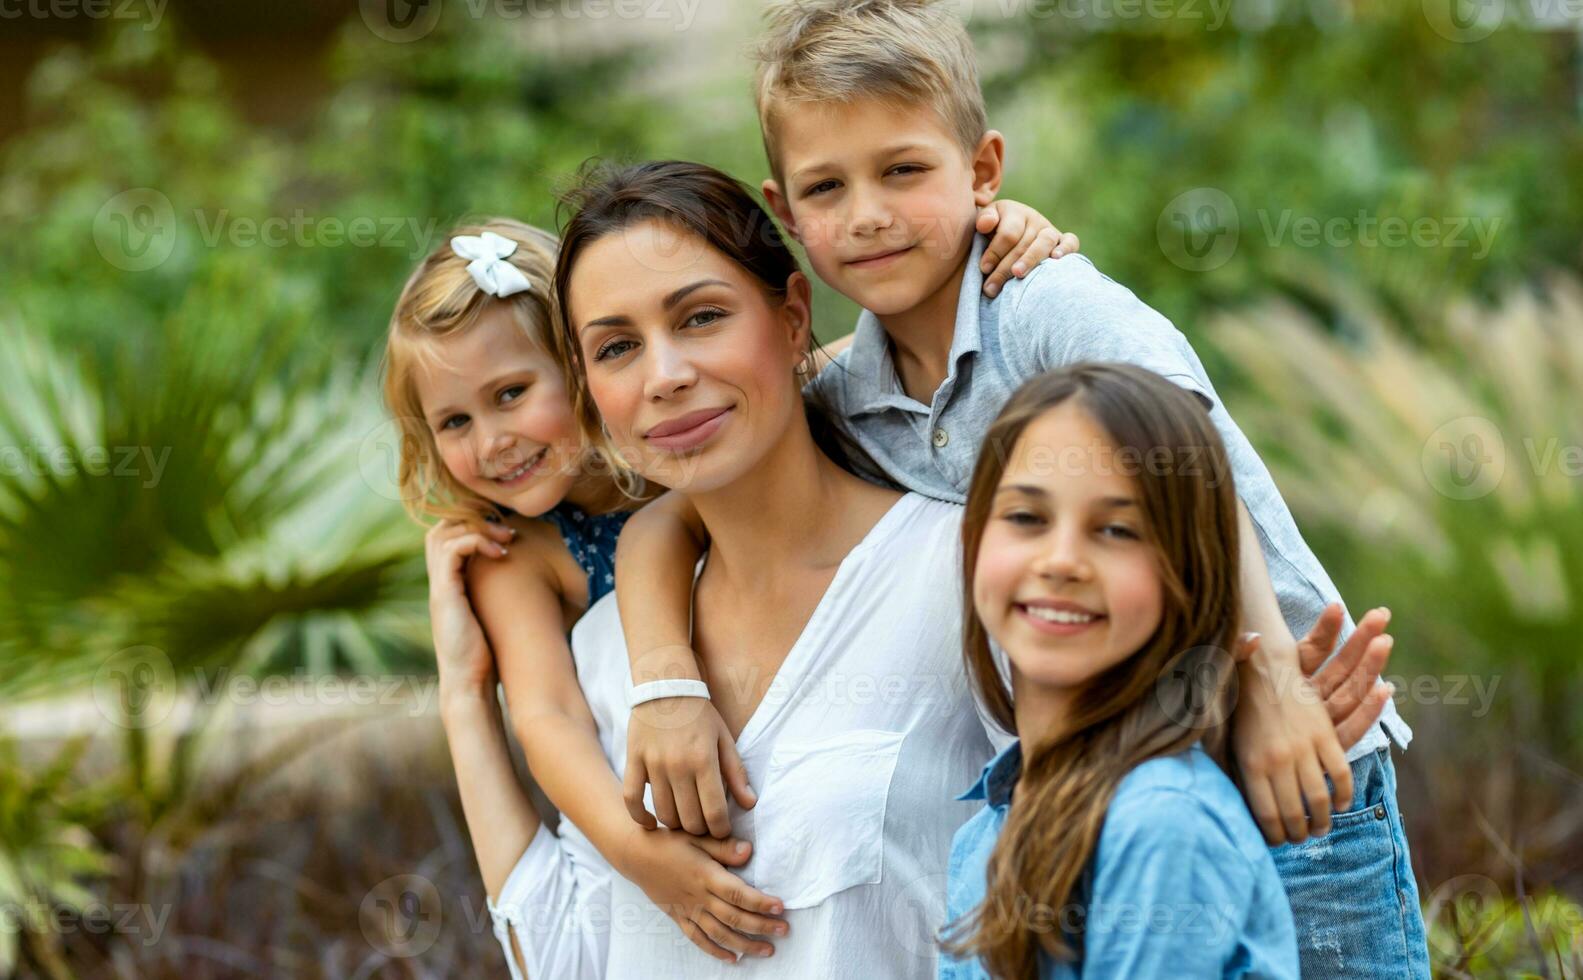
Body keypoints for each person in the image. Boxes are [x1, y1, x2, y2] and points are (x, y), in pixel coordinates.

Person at [611, 3, 1428, 975]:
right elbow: (668, 510)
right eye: (826, 187)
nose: (866, 212)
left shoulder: (1044, 306)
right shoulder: (846, 398)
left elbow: (1191, 464)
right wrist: (662, 679)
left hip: (1291, 735)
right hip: (1107, 778)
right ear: (784, 213)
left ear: (984, 171)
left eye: (902, 170)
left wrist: (1268, 684)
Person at [382, 209, 1071, 976]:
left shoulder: (694, 431)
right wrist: (642, 857)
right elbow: (545, 719)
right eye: (452, 422)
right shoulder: (515, 553)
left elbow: (884, 348)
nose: (491, 442)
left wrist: (998, 236)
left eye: (511, 394)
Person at [943, 363, 1308, 977]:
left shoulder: (1161, 825)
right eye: (1027, 518)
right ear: (976, 539)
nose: (1061, 561)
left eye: (1116, 529)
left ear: (1189, 573)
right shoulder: (982, 832)